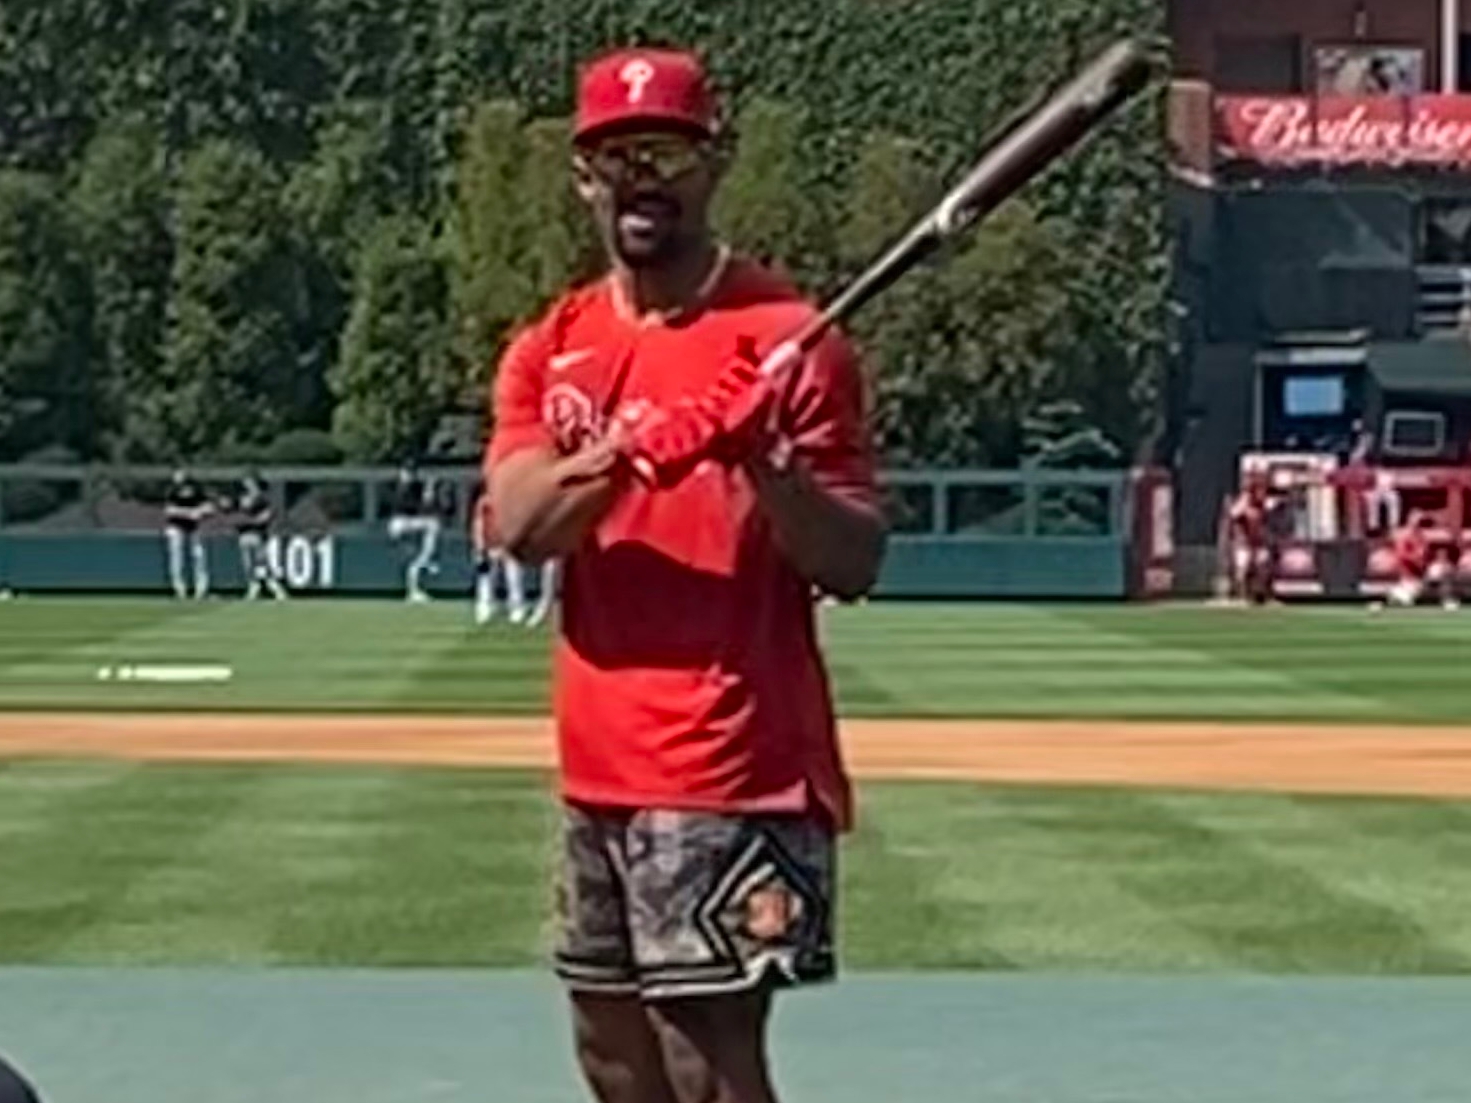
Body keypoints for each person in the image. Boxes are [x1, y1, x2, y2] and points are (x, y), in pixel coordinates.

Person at [486, 46, 887, 1103]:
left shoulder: (792, 340)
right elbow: (520, 525)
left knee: (702, 1059)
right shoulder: (551, 344)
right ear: (583, 178)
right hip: (597, 757)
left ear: (711, 164)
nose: (639, 176)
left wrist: (762, 456)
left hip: (735, 756)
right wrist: (630, 445)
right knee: (610, 1052)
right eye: (614, 156)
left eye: (663, 149)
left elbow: (854, 559)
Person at [472, 481, 559, 626]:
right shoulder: (484, 502)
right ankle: (485, 608)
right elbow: (478, 524)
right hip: (490, 544)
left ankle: (517, 608)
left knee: (514, 578)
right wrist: (480, 547)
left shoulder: (510, 501)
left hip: (508, 544)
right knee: (486, 579)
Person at [388, 461, 443, 603]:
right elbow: (413, 507)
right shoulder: (401, 488)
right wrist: (428, 491)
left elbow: (425, 504)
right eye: (407, 472)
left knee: (415, 560)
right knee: (432, 525)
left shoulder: (414, 486)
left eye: (412, 472)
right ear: (402, 473)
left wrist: (429, 488)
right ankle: (428, 560)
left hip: (410, 523)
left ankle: (416, 586)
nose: (410, 475)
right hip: (400, 523)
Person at [1387, 511, 1460, 610]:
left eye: (1420, 523)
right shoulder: (1404, 538)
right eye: (1416, 522)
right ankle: (1398, 593)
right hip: (1410, 576)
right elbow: (1402, 557)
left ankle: (1447, 600)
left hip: (1423, 573)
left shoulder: (1422, 538)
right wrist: (1416, 558)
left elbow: (1427, 557)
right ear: (1410, 522)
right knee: (1406, 599)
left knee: (1440, 570)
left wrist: (1429, 562)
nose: (1418, 525)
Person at [233, 472, 288, 601]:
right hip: (244, 533)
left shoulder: (263, 498)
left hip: (258, 534)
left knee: (262, 562)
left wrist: (252, 520)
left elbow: (266, 516)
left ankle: (273, 586)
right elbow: (236, 516)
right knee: (248, 563)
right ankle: (253, 586)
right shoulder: (241, 498)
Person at [163, 468, 213, 600]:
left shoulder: (196, 488)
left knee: (199, 556)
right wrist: (188, 513)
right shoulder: (171, 490)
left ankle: (201, 589)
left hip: (195, 528)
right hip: (176, 527)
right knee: (176, 557)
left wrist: (200, 511)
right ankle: (179, 589)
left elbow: (209, 507)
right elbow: (169, 510)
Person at [1227, 475, 1274, 605]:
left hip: (1259, 542)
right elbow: (1233, 516)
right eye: (1258, 489)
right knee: (1242, 569)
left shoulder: (1266, 503)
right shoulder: (1244, 502)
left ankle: (1262, 594)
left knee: (1263, 567)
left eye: (1262, 489)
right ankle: (1243, 595)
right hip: (1244, 542)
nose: (1261, 493)